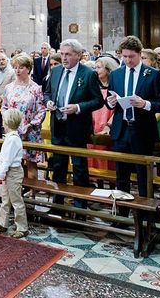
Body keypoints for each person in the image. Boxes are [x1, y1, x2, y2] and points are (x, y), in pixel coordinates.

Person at [44, 39, 103, 208]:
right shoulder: (55, 71)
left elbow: (98, 100)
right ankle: (57, 203)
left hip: (77, 128)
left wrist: (77, 107)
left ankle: (80, 205)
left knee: (79, 168)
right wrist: (48, 102)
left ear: (78, 55)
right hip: (58, 126)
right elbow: (48, 92)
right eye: (62, 54)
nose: (64, 58)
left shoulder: (88, 73)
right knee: (58, 167)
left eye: (68, 54)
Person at [106, 36, 160, 197]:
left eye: (131, 56)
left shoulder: (152, 74)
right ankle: (121, 217)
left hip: (142, 130)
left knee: (143, 175)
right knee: (121, 175)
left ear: (139, 53)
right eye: (124, 56)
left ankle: (145, 216)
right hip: (121, 129)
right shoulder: (116, 74)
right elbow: (110, 101)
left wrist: (145, 104)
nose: (127, 60)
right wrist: (110, 102)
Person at [2, 54, 46, 179]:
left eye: (21, 67)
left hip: (30, 130)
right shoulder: (9, 88)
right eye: (15, 67)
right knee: (14, 164)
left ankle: (32, 192)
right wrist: (8, 121)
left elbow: (41, 110)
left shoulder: (35, 88)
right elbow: (4, 107)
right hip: (13, 130)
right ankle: (16, 189)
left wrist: (31, 124)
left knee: (31, 163)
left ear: (28, 69)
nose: (17, 70)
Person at [0, 108, 28, 238]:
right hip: (8, 172)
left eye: (4, 122)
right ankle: (3, 223)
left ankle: (22, 228)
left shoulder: (13, 140)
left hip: (13, 172)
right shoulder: (10, 137)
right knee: (5, 199)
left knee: (16, 200)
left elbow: (7, 159)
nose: (2, 124)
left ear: (7, 123)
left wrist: (0, 173)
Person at [88, 56, 118, 170]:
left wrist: (109, 125)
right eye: (95, 67)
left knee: (107, 152)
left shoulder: (115, 86)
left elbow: (119, 110)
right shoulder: (93, 86)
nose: (96, 70)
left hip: (109, 122)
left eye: (99, 67)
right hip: (94, 122)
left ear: (108, 69)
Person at [141, 48, 160, 140]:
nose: (140, 60)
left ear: (152, 62)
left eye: (143, 58)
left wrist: (147, 123)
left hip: (155, 123)